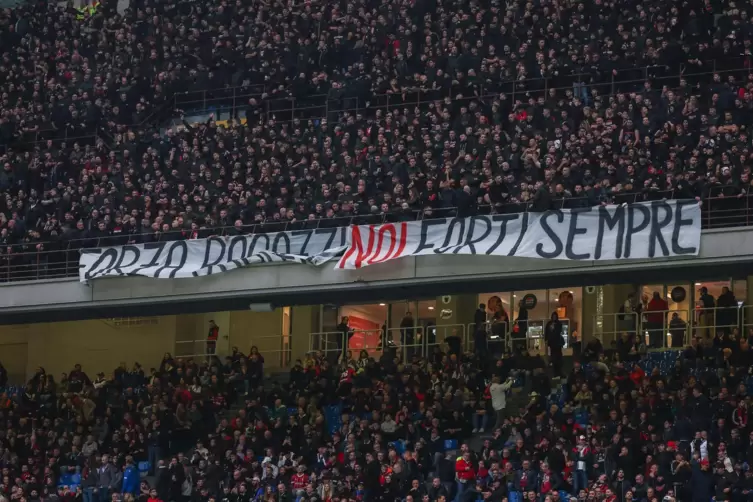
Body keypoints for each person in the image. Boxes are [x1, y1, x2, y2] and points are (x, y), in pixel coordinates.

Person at [545, 312, 565, 376]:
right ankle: (555, 372)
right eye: (553, 316)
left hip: (557, 343)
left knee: (558, 358)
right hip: (551, 344)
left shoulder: (559, 324)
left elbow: (559, 331)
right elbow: (546, 332)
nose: (554, 317)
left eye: (555, 316)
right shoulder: (549, 324)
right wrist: (546, 340)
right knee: (553, 357)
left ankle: (559, 372)